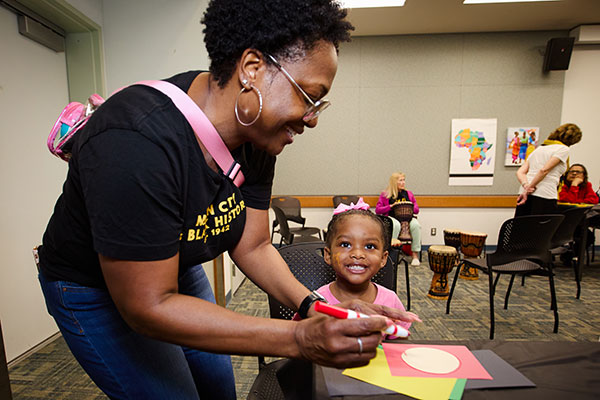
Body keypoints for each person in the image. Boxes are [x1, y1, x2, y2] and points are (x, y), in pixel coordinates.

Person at [35, 1, 418, 399]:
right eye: (309, 96)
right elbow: (148, 305)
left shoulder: (257, 135)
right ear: (252, 68)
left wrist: (318, 306)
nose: (312, 118)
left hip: (175, 267)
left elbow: (253, 245)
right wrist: (299, 338)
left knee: (219, 389)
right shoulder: (134, 141)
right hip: (92, 289)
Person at [314, 202, 418, 336]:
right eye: (345, 244)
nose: (358, 254)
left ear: (383, 258)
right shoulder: (317, 302)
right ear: (328, 255)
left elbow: (399, 341)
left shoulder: (391, 300)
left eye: (369, 246)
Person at [515, 123, 582, 217]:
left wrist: (526, 186)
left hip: (524, 194)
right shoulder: (563, 149)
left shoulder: (539, 149)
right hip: (545, 194)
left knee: (522, 224)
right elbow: (544, 170)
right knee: (542, 226)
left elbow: (520, 172)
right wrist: (530, 188)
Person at [375, 172, 422, 266]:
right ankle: (391, 253)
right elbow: (378, 210)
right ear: (394, 182)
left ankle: (415, 255)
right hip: (392, 217)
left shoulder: (408, 194)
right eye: (400, 180)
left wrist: (409, 206)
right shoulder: (385, 195)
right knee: (395, 225)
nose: (403, 182)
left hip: (407, 218)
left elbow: (416, 210)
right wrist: (391, 206)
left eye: (404, 180)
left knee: (416, 225)